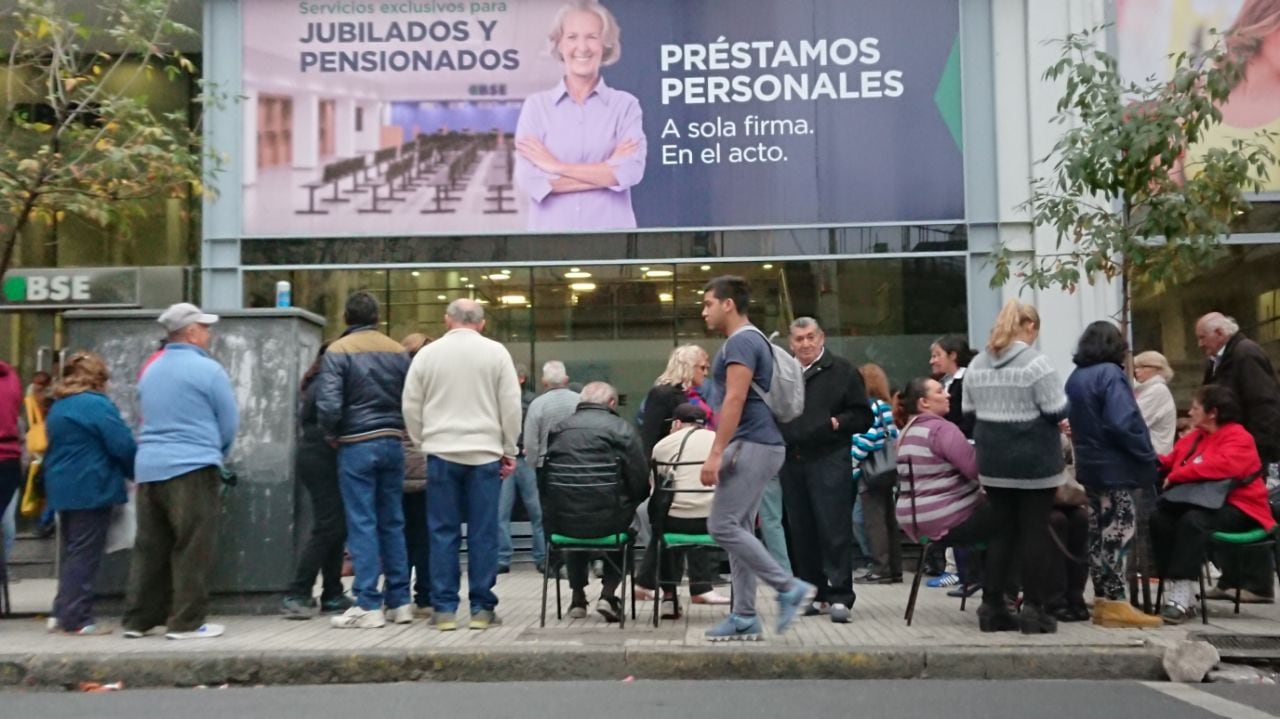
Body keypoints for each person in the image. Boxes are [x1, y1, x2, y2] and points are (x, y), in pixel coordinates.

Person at [699, 275, 814, 641]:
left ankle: (787, 587)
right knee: (739, 528)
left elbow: (735, 399)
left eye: (708, 304)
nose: (704, 312)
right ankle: (744, 615)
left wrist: (715, 454)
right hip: (759, 445)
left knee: (722, 525)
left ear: (728, 304)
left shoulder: (742, 342)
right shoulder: (750, 340)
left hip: (753, 443)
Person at [402, 298, 522, 631]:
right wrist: (509, 448)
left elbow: (411, 403)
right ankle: (482, 609)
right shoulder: (496, 353)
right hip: (484, 453)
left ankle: (444, 610)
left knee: (442, 532)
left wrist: (422, 440)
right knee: (484, 533)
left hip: (442, 452)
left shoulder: (428, 354)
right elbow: (510, 405)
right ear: (482, 323)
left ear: (446, 320)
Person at [123, 302, 238, 640]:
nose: (209, 332)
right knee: (192, 545)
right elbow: (228, 422)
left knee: (150, 546)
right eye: (204, 327)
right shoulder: (209, 371)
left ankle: (138, 619)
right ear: (190, 332)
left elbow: (141, 415)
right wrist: (217, 454)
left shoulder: (151, 371)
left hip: (149, 468)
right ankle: (186, 622)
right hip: (193, 466)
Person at [963, 299, 1070, 634]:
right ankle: (1035, 610)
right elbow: (1056, 410)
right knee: (1034, 533)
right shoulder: (1035, 364)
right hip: (1035, 462)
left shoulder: (978, 364)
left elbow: (968, 413)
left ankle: (992, 606)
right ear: (1030, 328)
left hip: (993, 461)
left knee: (1002, 531)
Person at [316, 292, 413, 630]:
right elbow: (410, 399)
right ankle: (400, 601)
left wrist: (332, 433)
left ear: (346, 318)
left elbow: (328, 405)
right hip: (391, 442)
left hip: (355, 443)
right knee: (393, 522)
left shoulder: (338, 351)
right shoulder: (398, 350)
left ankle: (368, 602)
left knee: (362, 523)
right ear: (377, 317)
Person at [514, 0, 646, 231]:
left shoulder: (626, 106)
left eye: (592, 37)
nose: (582, 47)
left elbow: (629, 172)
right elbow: (529, 181)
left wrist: (554, 166)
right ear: (559, 45)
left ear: (605, 44)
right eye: (572, 37)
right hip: (550, 244)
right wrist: (605, 171)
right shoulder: (536, 107)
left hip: (613, 244)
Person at [1064, 321, 1162, 629]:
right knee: (1120, 530)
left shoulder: (1076, 378)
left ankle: (1103, 600)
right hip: (1116, 466)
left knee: (1098, 532)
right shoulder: (1111, 375)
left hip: (1090, 465)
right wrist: (1146, 452)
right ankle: (1118, 601)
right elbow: (1124, 422)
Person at [1152, 385, 1276, 624]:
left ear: (1213, 412)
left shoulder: (1239, 437)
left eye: (1196, 407)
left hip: (1241, 508)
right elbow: (1170, 461)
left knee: (1192, 521)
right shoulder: (1195, 436)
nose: (1190, 412)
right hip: (1198, 504)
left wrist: (1179, 475)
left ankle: (1181, 595)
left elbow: (1222, 466)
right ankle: (1180, 587)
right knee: (1160, 518)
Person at [776, 318, 872, 624]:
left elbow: (863, 416)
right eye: (799, 339)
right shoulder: (783, 373)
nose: (805, 344)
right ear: (790, 344)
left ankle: (839, 595)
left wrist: (836, 423)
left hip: (829, 457)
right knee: (800, 531)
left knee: (833, 529)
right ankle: (810, 594)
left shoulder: (842, 371)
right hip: (792, 460)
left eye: (810, 337)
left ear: (822, 338)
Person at [43, 352, 136, 635]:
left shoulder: (59, 405)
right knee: (85, 554)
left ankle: (62, 610)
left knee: (72, 552)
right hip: (91, 486)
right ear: (97, 377)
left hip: (62, 486)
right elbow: (121, 444)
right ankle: (77, 618)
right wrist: (135, 471)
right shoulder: (96, 405)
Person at [540, 382, 649, 621]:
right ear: (611, 403)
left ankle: (578, 598)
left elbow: (546, 478)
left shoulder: (559, 429)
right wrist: (630, 500)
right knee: (627, 527)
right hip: (610, 523)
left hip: (563, 524)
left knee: (575, 517)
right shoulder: (622, 429)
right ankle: (608, 595)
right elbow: (640, 480)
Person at [1196, 311, 1280, 602]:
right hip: (1229, 449)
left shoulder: (1245, 354)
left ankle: (1257, 584)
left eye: (1202, 337)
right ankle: (1231, 579)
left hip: (1248, 451)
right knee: (1226, 508)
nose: (1199, 343)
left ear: (1219, 332)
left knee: (1248, 510)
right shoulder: (1221, 358)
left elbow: (1264, 404)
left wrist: (1258, 449)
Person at [281, 342, 353, 620]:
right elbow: (329, 418)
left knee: (335, 525)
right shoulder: (326, 383)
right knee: (327, 526)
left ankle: (332, 592)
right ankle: (298, 592)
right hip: (322, 457)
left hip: (317, 456)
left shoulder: (317, 380)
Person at [636, 402, 728, 608]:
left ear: (677, 423)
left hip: (675, 523)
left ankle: (665, 591)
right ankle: (701, 589)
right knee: (691, 509)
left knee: (664, 521)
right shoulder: (718, 442)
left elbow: (656, 487)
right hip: (713, 523)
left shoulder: (662, 446)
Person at [893, 377, 994, 558]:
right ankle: (998, 583)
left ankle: (984, 580)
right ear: (924, 402)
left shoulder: (905, 433)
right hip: (944, 517)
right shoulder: (941, 429)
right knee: (1012, 513)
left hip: (913, 520)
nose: (948, 395)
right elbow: (976, 470)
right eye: (940, 391)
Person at [499, 361, 564, 574]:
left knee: (536, 511)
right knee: (503, 512)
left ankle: (542, 557)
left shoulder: (532, 401)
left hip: (523, 459)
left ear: (521, 378)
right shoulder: (520, 400)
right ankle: (504, 558)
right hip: (510, 457)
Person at [851, 363, 902, 588]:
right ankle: (894, 569)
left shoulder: (869, 407)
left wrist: (852, 458)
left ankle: (880, 568)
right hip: (888, 469)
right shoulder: (887, 406)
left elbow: (868, 438)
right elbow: (893, 435)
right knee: (889, 519)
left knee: (873, 521)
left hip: (871, 470)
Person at [401, 333, 433, 617]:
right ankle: (425, 597)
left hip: (397, 472)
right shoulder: (432, 386)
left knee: (398, 537)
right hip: (426, 471)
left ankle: (396, 596)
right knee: (425, 538)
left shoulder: (393, 383)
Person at [640, 345, 714, 456]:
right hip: (674, 458)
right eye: (702, 368)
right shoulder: (662, 394)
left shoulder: (696, 395)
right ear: (688, 367)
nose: (705, 373)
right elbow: (651, 435)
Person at [930, 334, 977, 438]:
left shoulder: (968, 381)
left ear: (952, 355)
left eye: (936, 355)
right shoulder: (940, 382)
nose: (932, 361)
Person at [1134, 351, 1177, 455]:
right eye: (1136, 367)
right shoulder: (1147, 389)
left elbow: (1134, 420)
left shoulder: (1157, 390)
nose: (1137, 370)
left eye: (1143, 367)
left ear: (1158, 369)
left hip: (1155, 455)